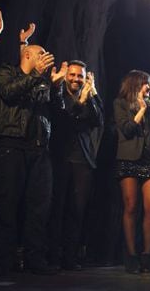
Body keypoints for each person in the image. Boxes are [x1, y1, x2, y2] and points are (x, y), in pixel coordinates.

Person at [0, 45, 66, 275]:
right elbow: (9, 93)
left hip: (38, 147)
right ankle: (3, 259)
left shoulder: (42, 80)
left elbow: (57, 108)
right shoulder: (7, 72)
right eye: (40, 54)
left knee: (39, 207)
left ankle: (35, 259)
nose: (44, 58)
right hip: (10, 143)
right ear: (27, 55)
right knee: (7, 204)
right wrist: (35, 76)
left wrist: (56, 87)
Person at [48, 60, 104, 270]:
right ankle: (53, 256)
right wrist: (80, 101)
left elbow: (98, 120)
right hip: (61, 158)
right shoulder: (59, 95)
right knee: (57, 209)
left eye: (80, 76)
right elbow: (64, 123)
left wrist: (92, 94)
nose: (76, 79)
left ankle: (70, 257)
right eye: (72, 75)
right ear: (66, 75)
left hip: (83, 161)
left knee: (77, 212)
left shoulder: (89, 96)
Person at [113, 70, 150, 274]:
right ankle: (131, 255)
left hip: (149, 159)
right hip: (128, 159)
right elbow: (126, 129)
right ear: (137, 84)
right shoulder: (120, 103)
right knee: (131, 207)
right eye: (147, 84)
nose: (149, 88)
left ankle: (147, 255)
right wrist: (142, 111)